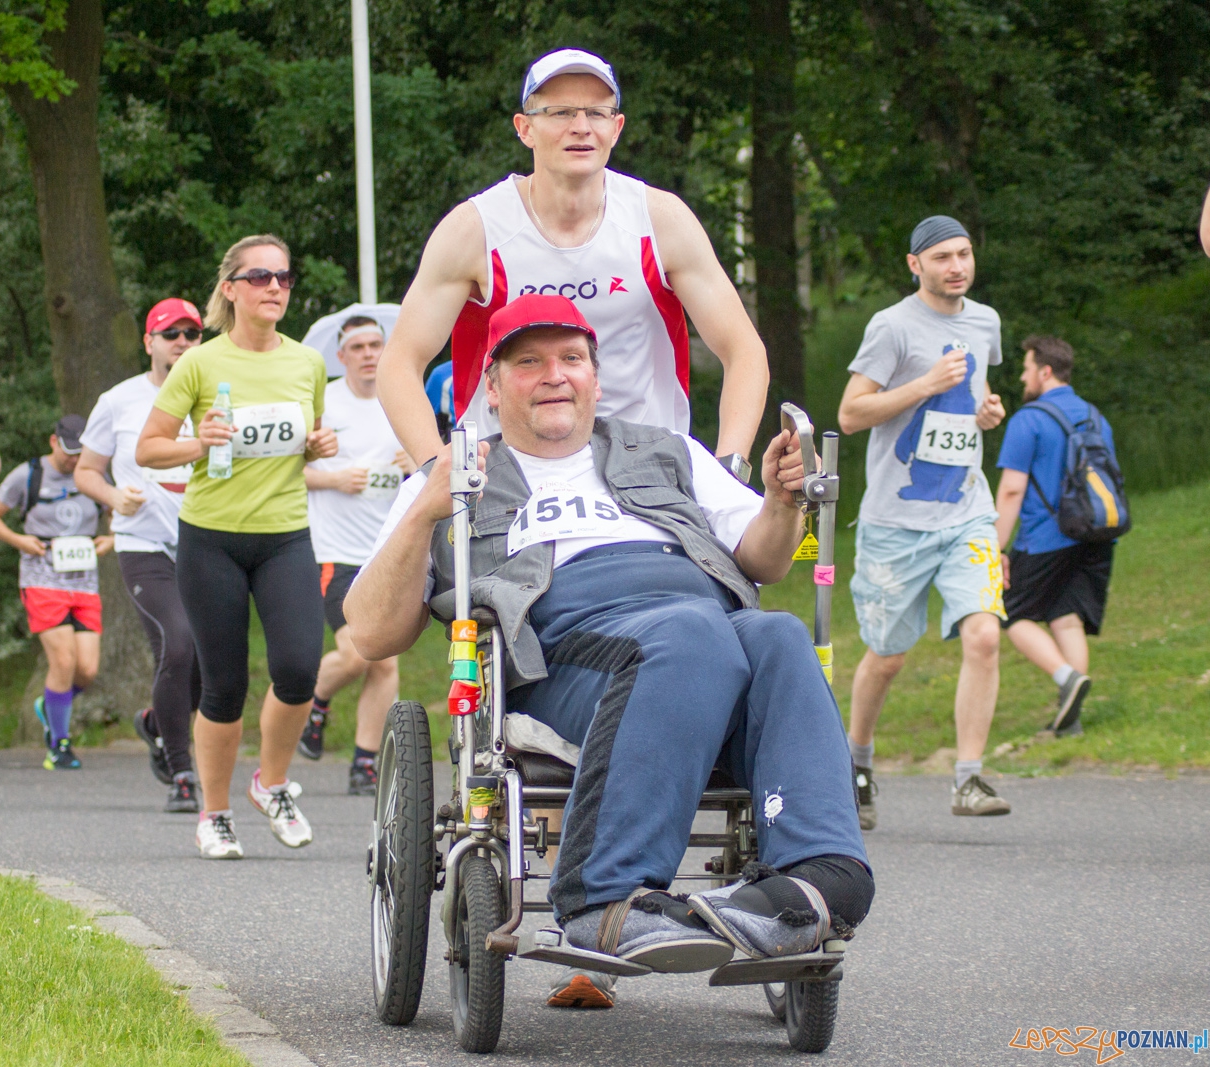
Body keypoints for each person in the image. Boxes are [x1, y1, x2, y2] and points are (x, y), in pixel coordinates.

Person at [346, 294, 873, 979]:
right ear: (493, 385)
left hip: (698, 628)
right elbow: (370, 631)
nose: (554, 374)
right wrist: (425, 510)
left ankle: (816, 882)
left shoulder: (667, 450)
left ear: (597, 375)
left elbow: (765, 559)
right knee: (693, 633)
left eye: (571, 358)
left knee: (776, 635)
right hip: (562, 650)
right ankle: (604, 893)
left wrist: (780, 501)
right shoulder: (458, 475)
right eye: (528, 362)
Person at [377, 48, 768, 483]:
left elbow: (744, 350)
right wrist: (438, 470)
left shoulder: (660, 220)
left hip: (643, 471)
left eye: (597, 113)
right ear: (524, 128)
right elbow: (399, 363)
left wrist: (730, 465)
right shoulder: (476, 229)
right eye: (560, 112)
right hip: (507, 475)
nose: (581, 127)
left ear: (616, 128)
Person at [137, 234, 337, 860]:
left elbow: (303, 437)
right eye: (259, 277)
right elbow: (149, 449)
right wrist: (200, 443)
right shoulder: (200, 363)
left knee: (300, 669)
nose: (274, 287)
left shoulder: (306, 363)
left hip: (284, 535)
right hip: (212, 540)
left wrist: (315, 447)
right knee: (222, 684)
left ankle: (271, 784)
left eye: (283, 277)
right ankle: (215, 814)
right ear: (230, 289)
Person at [838, 215, 1010, 826]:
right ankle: (856, 763)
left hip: (968, 511)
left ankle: (969, 779)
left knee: (984, 634)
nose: (956, 267)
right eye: (941, 257)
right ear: (915, 265)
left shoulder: (985, 322)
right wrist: (925, 383)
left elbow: (970, 407)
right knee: (886, 656)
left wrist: (988, 412)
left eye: (963, 254)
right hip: (895, 521)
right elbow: (852, 413)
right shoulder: (892, 327)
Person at [77, 297, 204, 812]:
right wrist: (114, 497)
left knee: (202, 664)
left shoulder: (217, 396)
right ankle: (182, 774)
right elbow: (86, 470)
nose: (181, 343)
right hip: (142, 544)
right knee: (176, 646)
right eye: (170, 334)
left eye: (191, 334)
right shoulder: (119, 400)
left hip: (204, 540)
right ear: (149, 343)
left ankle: (156, 721)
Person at [298, 315, 415, 794]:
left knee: (384, 661)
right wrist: (332, 478)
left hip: (387, 553)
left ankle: (363, 763)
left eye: (375, 345)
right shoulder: (322, 402)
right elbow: (286, 470)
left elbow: (432, 462)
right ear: (341, 356)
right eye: (358, 347)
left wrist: (416, 463)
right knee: (355, 654)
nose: (369, 353)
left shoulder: (400, 398)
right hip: (336, 552)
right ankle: (316, 700)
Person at [993, 336, 1118, 738]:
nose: (1023, 376)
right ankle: (1071, 720)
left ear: (1045, 371)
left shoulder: (1028, 420)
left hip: (1046, 538)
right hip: (1097, 534)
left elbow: (1012, 489)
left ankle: (1067, 678)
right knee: (1066, 619)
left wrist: (996, 547)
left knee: (1011, 613)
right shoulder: (1096, 416)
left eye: (1027, 368)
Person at [0, 414, 112, 771]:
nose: (74, 460)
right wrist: (20, 540)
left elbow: (120, 512)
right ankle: (59, 744)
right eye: (70, 452)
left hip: (84, 580)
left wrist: (111, 539)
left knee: (87, 668)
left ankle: (50, 706)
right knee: (63, 661)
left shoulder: (95, 474)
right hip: (42, 579)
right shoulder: (28, 475)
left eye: (80, 453)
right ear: (53, 442)